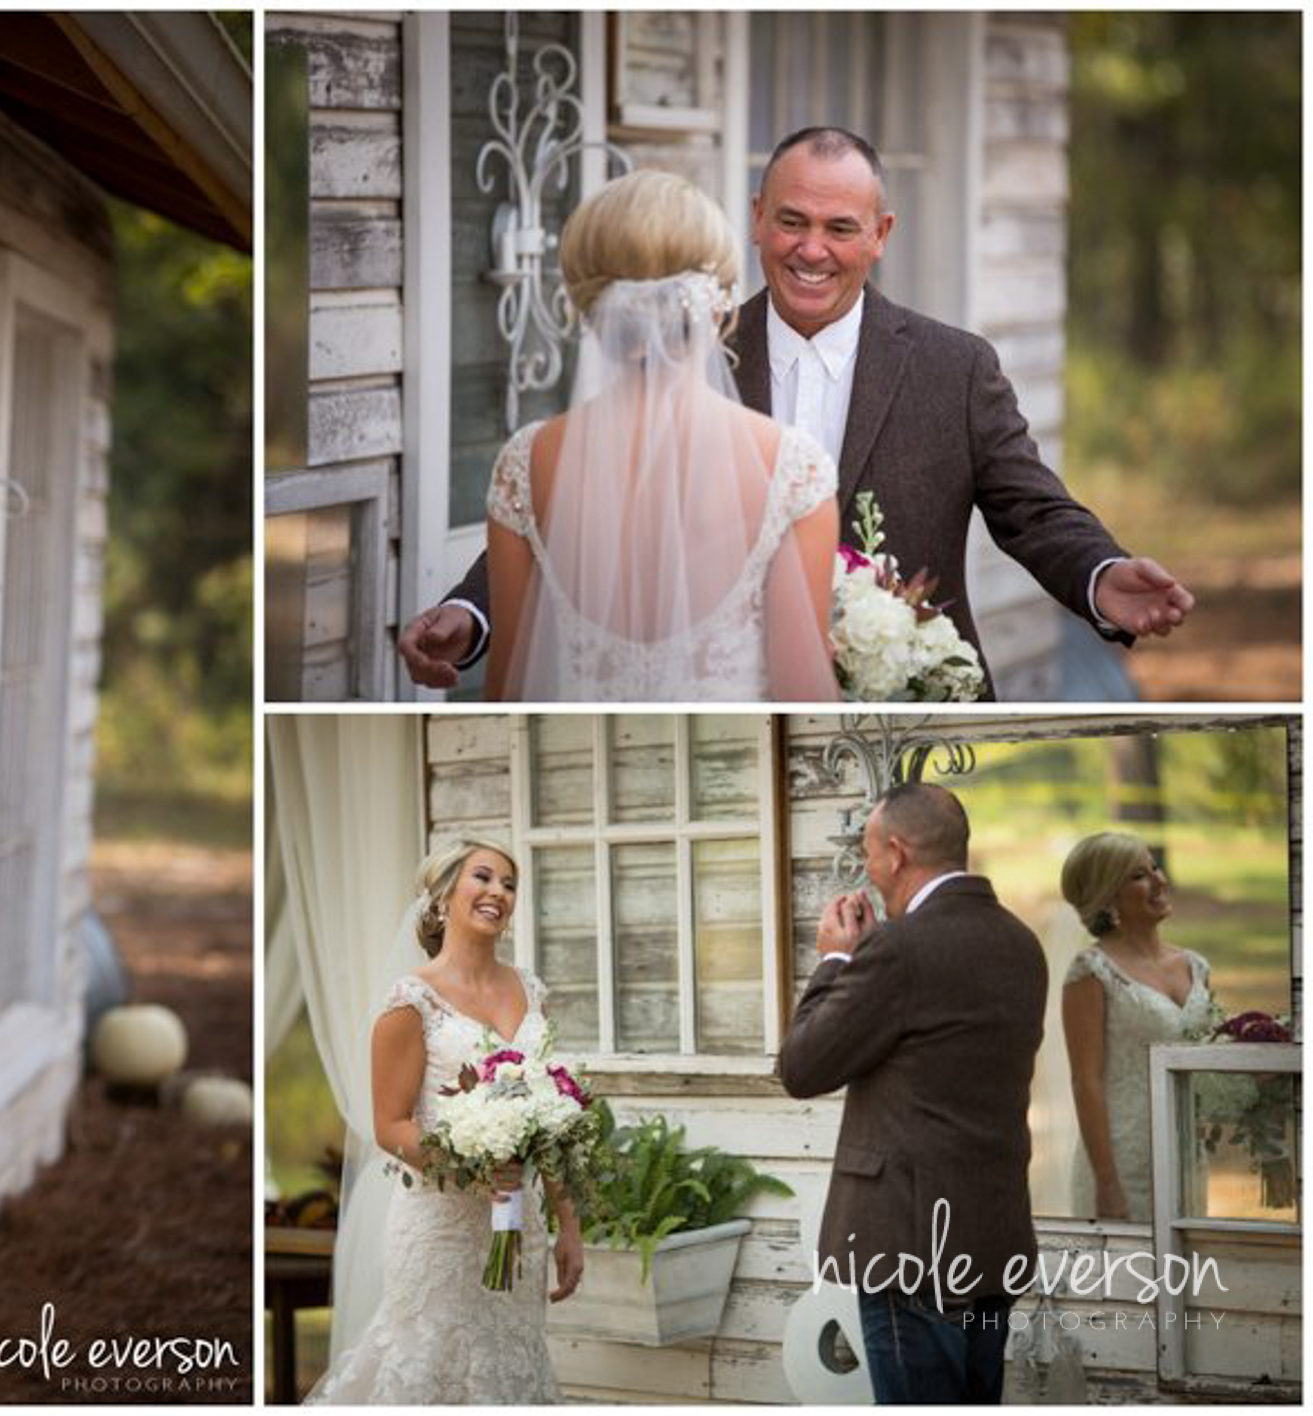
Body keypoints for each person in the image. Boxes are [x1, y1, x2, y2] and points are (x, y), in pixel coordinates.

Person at [401, 126, 1194, 698]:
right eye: (792, 221)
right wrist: (473, 612)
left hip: (908, 708)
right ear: (756, 218)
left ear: (879, 234)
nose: (811, 248)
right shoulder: (679, 353)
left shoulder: (956, 368)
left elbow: (1032, 508)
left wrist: (1100, 573)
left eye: (839, 228)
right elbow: (583, 502)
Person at [483, 171, 840, 700]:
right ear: (717, 302)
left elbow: (507, 694)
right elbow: (803, 694)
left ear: (588, 305)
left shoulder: (526, 462)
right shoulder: (792, 470)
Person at [779, 783, 1047, 1404]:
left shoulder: (899, 951)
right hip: (991, 1236)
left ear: (896, 854)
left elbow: (802, 1067)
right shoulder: (1021, 944)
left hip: (909, 1247)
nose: (868, 872)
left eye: (869, 855)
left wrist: (838, 962)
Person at [307, 839, 582, 1404]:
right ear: (442, 897)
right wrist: (470, 1168)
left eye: (509, 885)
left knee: (511, 1362)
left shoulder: (530, 991)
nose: (498, 893)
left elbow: (549, 1114)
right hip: (441, 1230)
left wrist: (566, 1221)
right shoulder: (411, 1002)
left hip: (518, 1225)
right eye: (483, 878)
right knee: (431, 1364)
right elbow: (390, 1125)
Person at [1058, 831, 1212, 1221]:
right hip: (1123, 1164)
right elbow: (1085, 1081)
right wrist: (1108, 1184)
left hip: (1186, 1156)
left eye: (1155, 867)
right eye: (1138, 876)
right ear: (1107, 895)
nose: (1160, 881)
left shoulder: (1195, 967)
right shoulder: (1091, 972)